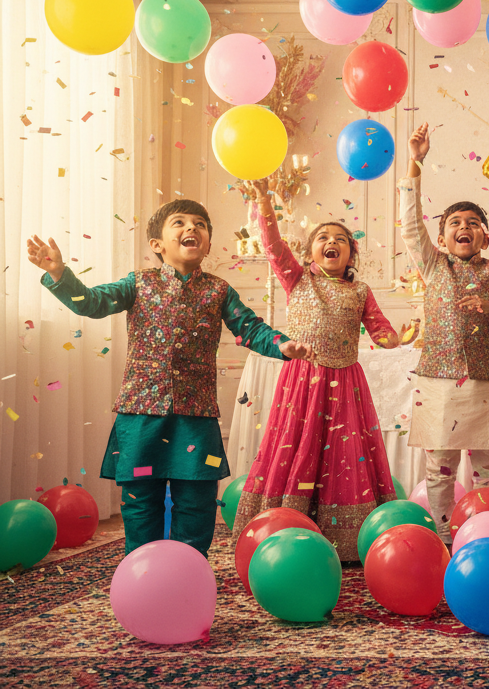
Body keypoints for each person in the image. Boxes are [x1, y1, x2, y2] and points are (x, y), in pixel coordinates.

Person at [26, 200, 310, 557]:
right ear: (157, 244)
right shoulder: (138, 283)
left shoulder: (218, 290)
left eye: (200, 225)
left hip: (196, 417)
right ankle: (141, 572)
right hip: (140, 414)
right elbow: (92, 303)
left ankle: (189, 569)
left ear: (207, 243)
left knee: (197, 502)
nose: (192, 228)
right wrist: (59, 274)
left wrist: (283, 345)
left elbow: (250, 327)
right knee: (140, 503)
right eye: (180, 223)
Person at [231, 179, 404, 561]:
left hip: (345, 382)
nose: (332, 242)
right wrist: (265, 205)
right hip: (303, 382)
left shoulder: (360, 291)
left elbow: (379, 330)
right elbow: (274, 248)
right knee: (300, 447)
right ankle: (286, 531)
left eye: (341, 239)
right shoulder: (297, 279)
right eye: (323, 237)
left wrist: (399, 338)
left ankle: (344, 540)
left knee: (344, 454)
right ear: (310, 252)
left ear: (351, 254)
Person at [400, 123, 489, 546]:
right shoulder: (432, 264)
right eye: (455, 223)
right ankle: (441, 535)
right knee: (438, 465)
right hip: (437, 384)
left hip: (484, 386)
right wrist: (415, 162)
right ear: (440, 237)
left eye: (473, 222)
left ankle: (486, 533)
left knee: (488, 468)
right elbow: (408, 224)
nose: (464, 227)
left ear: (485, 235)